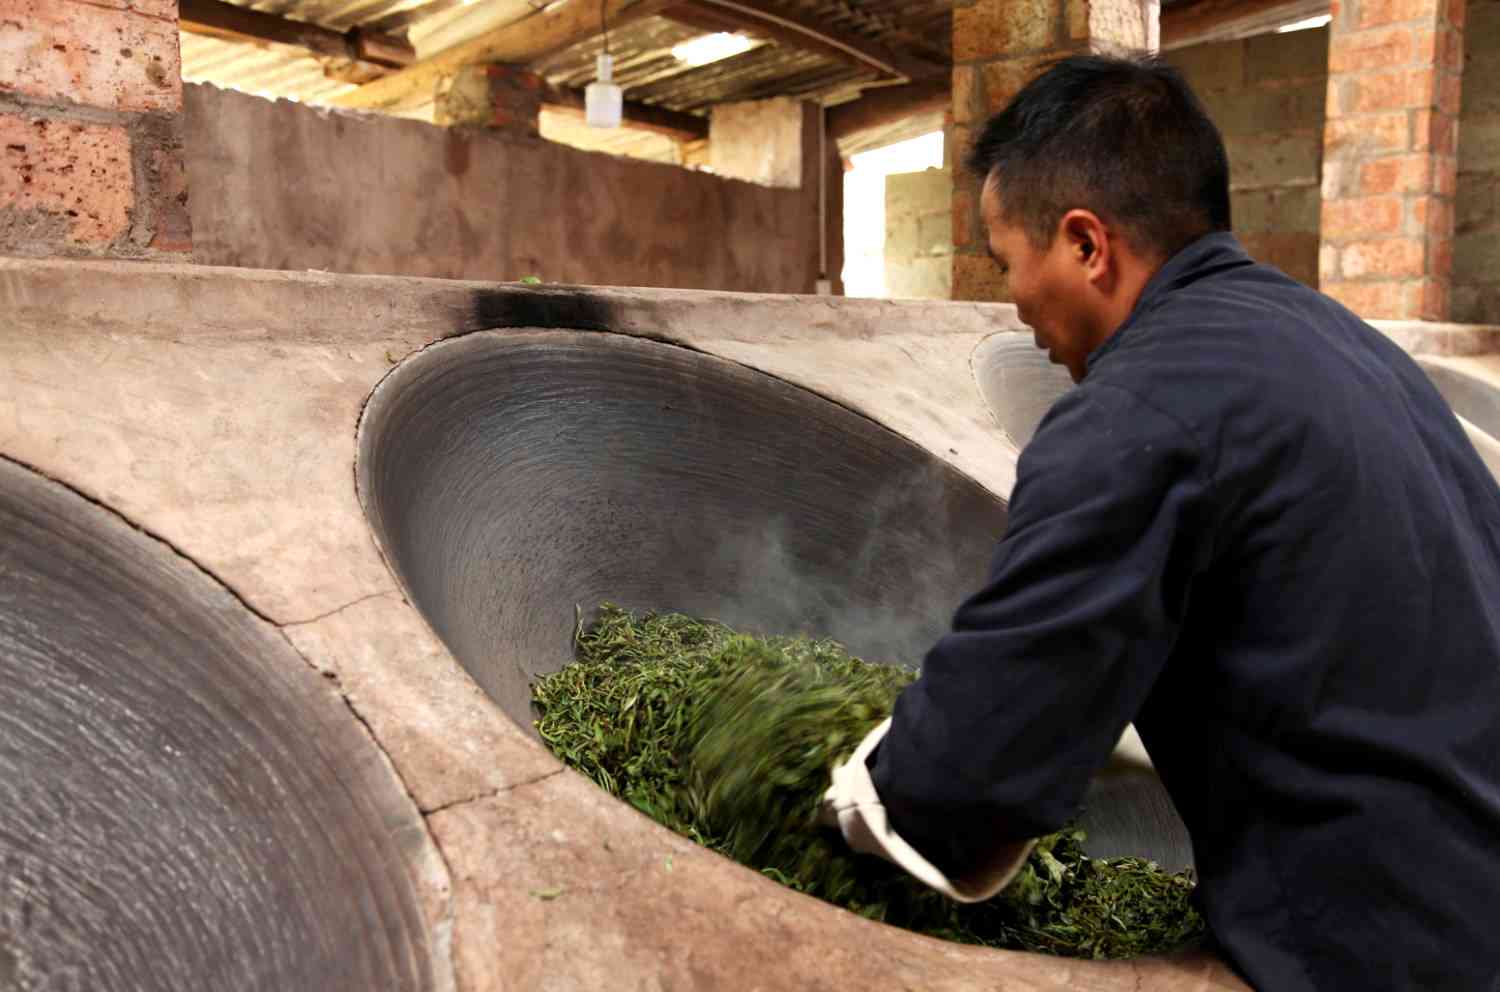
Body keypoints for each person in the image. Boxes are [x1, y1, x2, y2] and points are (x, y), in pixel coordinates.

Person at [820, 54, 1500, 990]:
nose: (1016, 309)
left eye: (1008, 263)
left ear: (1087, 245)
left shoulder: (1138, 407)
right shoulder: (1341, 341)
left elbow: (991, 737)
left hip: (1390, 940)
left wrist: (865, 797)